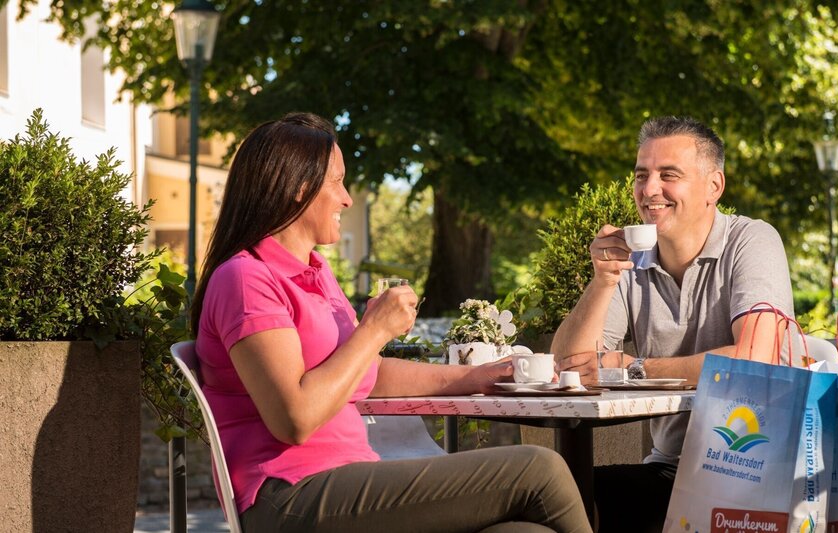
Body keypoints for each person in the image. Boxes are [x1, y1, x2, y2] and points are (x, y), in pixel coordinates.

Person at [191, 112, 592, 533]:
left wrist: (478, 377)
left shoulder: (315, 272)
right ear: (297, 188)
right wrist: (374, 330)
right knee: (540, 468)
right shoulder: (244, 279)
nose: (347, 198)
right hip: (289, 497)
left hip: (349, 480)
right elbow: (294, 419)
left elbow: (368, 373)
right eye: (337, 182)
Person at [551, 116, 794, 533]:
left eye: (669, 175)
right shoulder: (631, 263)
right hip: (671, 471)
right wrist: (604, 279)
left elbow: (756, 360)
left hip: (755, 475)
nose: (649, 190)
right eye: (641, 175)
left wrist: (633, 368)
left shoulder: (751, 241)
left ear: (714, 187)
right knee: (555, 494)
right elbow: (569, 367)